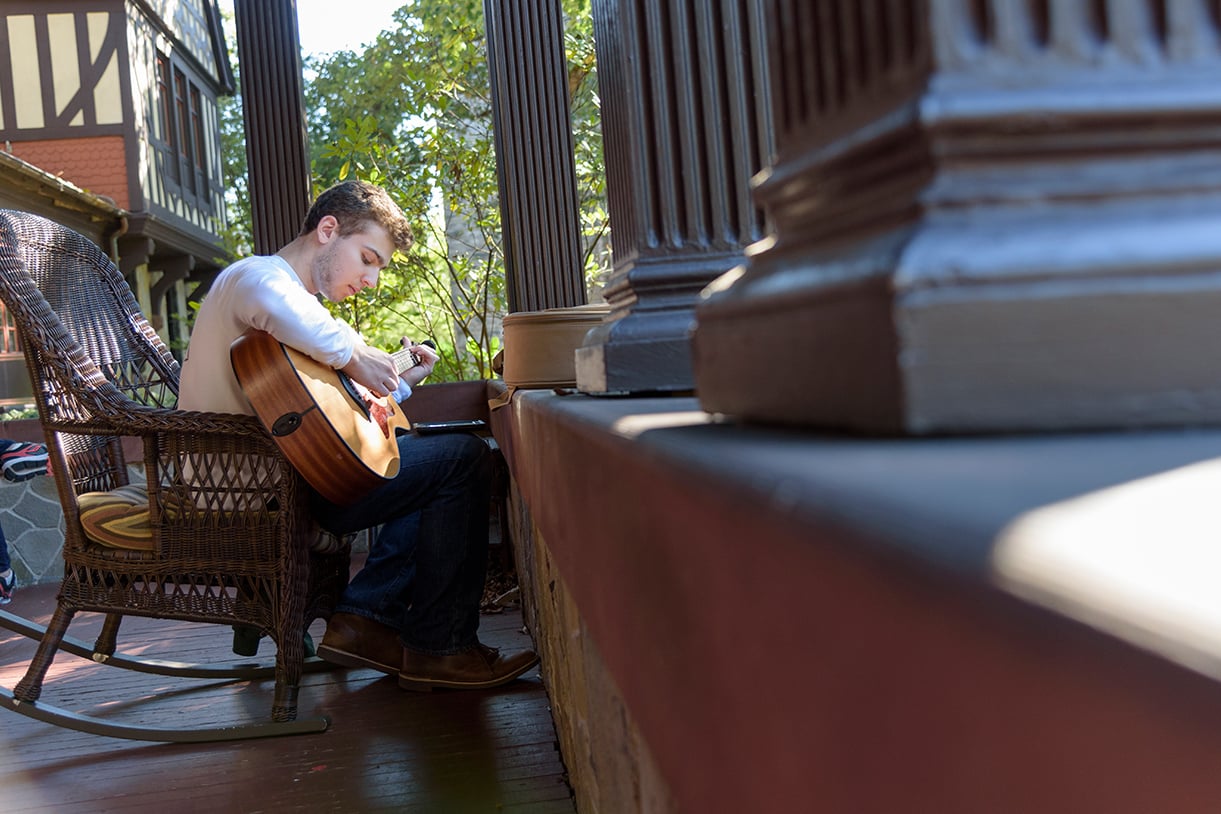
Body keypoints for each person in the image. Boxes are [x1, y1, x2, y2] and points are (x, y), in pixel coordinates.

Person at [178, 179, 537, 691]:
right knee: (464, 458)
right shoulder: (256, 277)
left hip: (293, 476)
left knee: (421, 455)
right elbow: (274, 303)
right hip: (256, 495)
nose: (370, 278)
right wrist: (355, 354)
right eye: (367, 258)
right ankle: (438, 645)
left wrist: (397, 387)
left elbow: (327, 418)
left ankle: (367, 618)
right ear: (328, 230)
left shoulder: (302, 317)